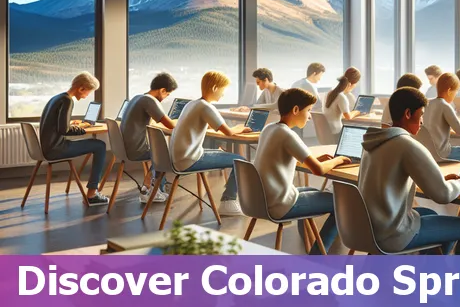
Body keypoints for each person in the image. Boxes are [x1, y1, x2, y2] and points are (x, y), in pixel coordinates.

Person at [358, 87, 460, 255]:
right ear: (408, 114)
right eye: (421, 114)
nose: (423, 121)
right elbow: (443, 195)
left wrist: (437, 179)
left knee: (429, 213)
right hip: (391, 234)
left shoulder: (372, 143)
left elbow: (392, 180)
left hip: (368, 228)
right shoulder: (407, 145)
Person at [254, 88, 352, 254]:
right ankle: (316, 256)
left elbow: (294, 157)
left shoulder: (270, 129)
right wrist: (339, 160)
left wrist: (315, 160)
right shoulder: (288, 135)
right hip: (279, 204)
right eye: (308, 110)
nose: (309, 116)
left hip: (260, 200)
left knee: (311, 190)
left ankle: (307, 241)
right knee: (342, 205)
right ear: (295, 110)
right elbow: (319, 171)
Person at [169, 71, 253, 216]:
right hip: (189, 160)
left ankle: (229, 200)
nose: (223, 94)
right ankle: (228, 201)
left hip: (177, 157)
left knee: (222, 154)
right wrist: (240, 128)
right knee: (241, 161)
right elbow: (228, 132)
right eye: (223, 90)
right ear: (215, 88)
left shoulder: (192, 104)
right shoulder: (206, 107)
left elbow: (204, 125)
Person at [39, 72, 108, 205]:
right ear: (81, 88)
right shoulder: (67, 100)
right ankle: (92, 194)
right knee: (100, 146)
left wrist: (75, 124)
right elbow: (64, 130)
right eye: (88, 92)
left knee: (97, 145)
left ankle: (92, 191)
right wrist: (83, 129)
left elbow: (58, 125)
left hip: (48, 146)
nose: (87, 96)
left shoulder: (57, 97)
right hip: (56, 149)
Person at [121, 72, 179, 204]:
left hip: (125, 147)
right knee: (166, 154)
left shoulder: (138, 97)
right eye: (167, 94)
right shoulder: (149, 100)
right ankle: (150, 189)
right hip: (136, 150)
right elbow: (170, 125)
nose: (165, 98)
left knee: (160, 150)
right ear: (162, 90)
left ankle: (157, 187)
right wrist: (183, 119)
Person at [422, 73, 460, 161]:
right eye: (456, 91)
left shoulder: (426, 103)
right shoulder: (445, 106)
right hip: (442, 153)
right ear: (449, 90)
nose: (456, 94)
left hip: (426, 153)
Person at [322, 68, 364, 145]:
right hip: (337, 133)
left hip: (328, 131)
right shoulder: (341, 96)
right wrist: (358, 111)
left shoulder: (329, 93)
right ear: (350, 84)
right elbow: (348, 117)